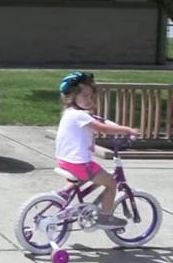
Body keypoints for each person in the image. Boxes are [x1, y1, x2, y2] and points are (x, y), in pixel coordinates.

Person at [55, 71, 140, 229]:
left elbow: (100, 121)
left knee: (82, 176)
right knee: (112, 183)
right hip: (80, 164)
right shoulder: (80, 116)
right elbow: (103, 128)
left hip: (64, 161)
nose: (89, 100)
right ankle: (106, 217)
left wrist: (108, 130)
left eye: (91, 96)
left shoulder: (70, 113)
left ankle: (66, 191)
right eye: (85, 96)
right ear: (72, 97)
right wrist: (127, 130)